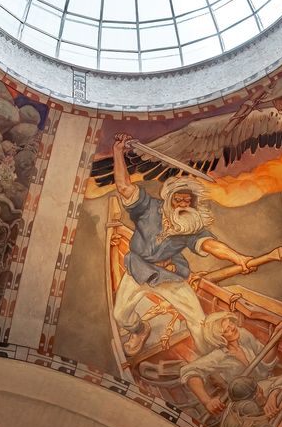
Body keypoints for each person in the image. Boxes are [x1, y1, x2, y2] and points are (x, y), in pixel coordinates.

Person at [110, 135, 257, 358]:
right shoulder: (148, 207)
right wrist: (118, 151)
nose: (183, 205)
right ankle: (140, 331)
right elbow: (123, 186)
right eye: (179, 200)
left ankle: (211, 361)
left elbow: (212, 245)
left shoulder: (190, 225)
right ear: (169, 199)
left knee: (197, 320)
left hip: (169, 274)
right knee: (121, 315)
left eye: (188, 202)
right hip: (138, 269)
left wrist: (239, 258)